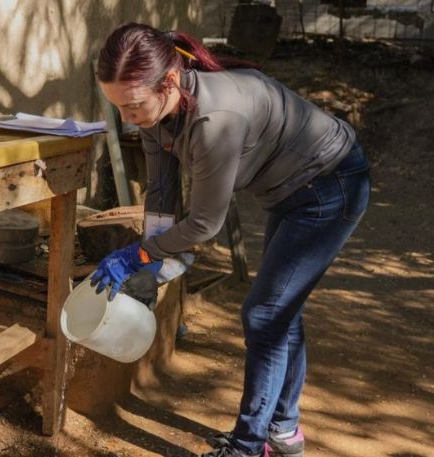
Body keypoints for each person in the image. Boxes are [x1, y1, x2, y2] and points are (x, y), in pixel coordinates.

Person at [91, 22, 371, 457]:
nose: (128, 118)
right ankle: (284, 431)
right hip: (291, 191)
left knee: (265, 314)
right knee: (281, 311)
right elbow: (162, 193)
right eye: (118, 108)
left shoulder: (214, 119)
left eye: (133, 106)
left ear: (168, 82)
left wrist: (138, 253)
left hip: (329, 187)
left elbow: (204, 224)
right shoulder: (158, 109)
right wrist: (152, 263)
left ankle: (247, 447)